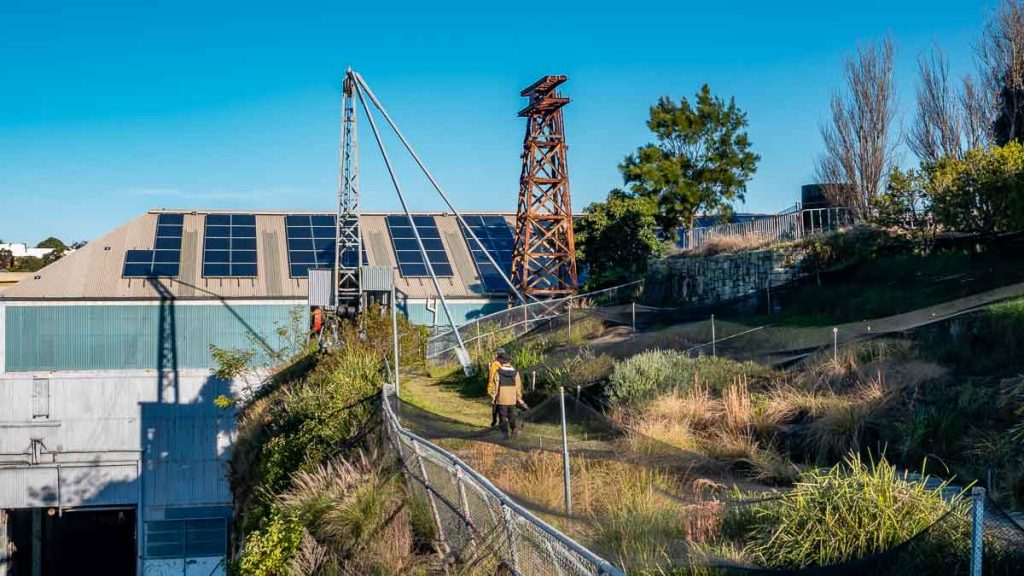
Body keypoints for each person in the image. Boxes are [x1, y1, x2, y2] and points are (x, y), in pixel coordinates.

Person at [487, 352, 527, 438]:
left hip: (501, 399)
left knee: (502, 416)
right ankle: (514, 429)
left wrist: (494, 397)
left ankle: (505, 433)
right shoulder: (515, 373)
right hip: (512, 399)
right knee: (512, 415)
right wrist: (518, 398)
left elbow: (496, 386)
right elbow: (518, 386)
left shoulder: (498, 372)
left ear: (501, 362)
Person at [488, 349, 505, 427]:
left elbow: (491, 377)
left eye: (496, 354)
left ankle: (494, 421)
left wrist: (490, 387)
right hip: (506, 387)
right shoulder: (506, 363)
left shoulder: (494, 364)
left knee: (495, 404)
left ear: (498, 354)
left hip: (496, 387)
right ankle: (501, 421)